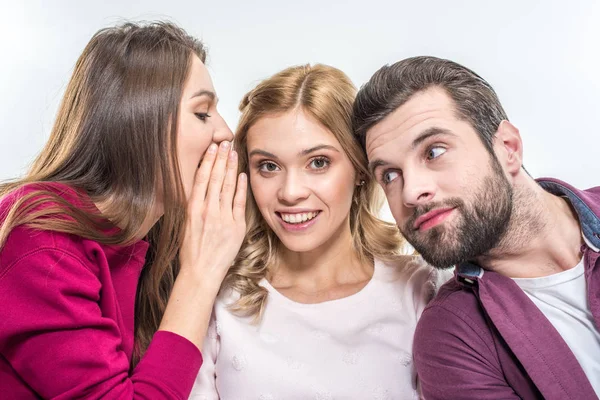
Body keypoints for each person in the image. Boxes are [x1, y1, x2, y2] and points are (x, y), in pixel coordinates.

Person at [0, 22, 247, 398]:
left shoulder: (147, 239)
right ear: (138, 119)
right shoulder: (39, 238)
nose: (226, 132)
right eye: (202, 113)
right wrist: (201, 273)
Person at [189, 63, 449, 400]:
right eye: (268, 166)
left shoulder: (420, 291)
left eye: (318, 162)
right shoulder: (218, 301)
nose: (290, 191)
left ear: (359, 169)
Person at [352, 55, 600, 399]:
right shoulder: (451, 337)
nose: (410, 192)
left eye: (434, 151)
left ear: (507, 148)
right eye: (389, 175)